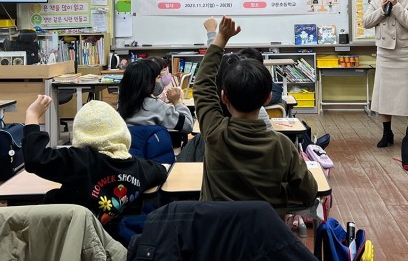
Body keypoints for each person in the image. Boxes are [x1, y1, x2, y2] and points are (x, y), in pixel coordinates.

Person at [194, 16, 317, 214]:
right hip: (266, 238)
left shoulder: (215, 133)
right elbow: (308, 192)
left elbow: (202, 85)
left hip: (217, 236)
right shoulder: (282, 145)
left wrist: (220, 39)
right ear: (268, 98)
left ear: (223, 97)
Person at [22, 94, 168, 237]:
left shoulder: (79, 160)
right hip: (110, 239)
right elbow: (163, 171)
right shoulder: (139, 167)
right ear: (122, 130)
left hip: (65, 236)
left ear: (80, 134)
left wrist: (32, 115)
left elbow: (35, 159)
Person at [362, 0, 408, 147]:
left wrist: (396, 5)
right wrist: (381, 9)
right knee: (384, 95)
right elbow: (366, 22)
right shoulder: (376, 0)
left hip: (406, 53)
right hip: (385, 54)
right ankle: (386, 133)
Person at [117, 60, 194, 133]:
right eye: (158, 77)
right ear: (147, 83)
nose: (160, 81)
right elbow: (188, 125)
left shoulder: (121, 105)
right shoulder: (158, 107)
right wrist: (177, 102)